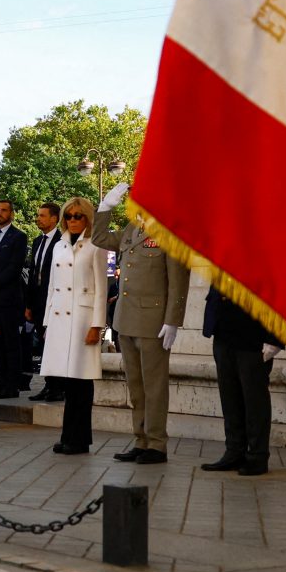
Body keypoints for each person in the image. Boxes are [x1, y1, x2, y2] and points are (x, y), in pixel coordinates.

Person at [95, 182, 191, 465]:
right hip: (125, 320)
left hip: (153, 323)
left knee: (154, 387)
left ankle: (157, 444)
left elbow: (178, 282)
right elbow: (99, 238)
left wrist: (173, 321)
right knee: (135, 386)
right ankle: (141, 440)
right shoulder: (131, 230)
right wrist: (104, 208)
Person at [40, 197, 110, 454]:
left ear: (88, 218)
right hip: (60, 318)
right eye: (68, 215)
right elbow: (51, 287)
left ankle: (80, 439)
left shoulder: (95, 245)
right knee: (67, 382)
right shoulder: (58, 246)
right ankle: (68, 434)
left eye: (78, 216)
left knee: (82, 382)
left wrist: (97, 325)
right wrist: (47, 322)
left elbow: (102, 289)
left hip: (82, 319)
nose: (72, 220)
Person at [201, 288, 281, 476]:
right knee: (229, 396)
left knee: (254, 399)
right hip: (224, 329)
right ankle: (234, 451)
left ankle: (257, 456)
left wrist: (275, 338)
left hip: (253, 333)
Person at [0, 200, 30, 397]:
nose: (0, 213)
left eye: (4, 210)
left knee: (11, 343)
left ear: (11, 213)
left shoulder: (18, 237)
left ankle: (12, 385)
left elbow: (14, 267)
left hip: (8, 298)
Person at [25, 203, 63, 402]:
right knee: (43, 345)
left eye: (42, 215)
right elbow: (33, 273)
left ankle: (58, 386)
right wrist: (29, 304)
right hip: (38, 300)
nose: (38, 219)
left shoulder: (62, 240)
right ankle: (49, 384)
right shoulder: (38, 241)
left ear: (54, 218)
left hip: (55, 301)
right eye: (37, 215)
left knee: (54, 343)